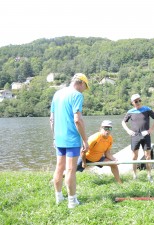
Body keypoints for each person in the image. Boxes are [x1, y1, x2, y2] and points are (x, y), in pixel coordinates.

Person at [50, 73, 90, 209]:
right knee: (70, 169)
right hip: (72, 138)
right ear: (81, 83)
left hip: (59, 138)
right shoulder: (77, 95)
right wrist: (85, 140)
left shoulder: (57, 94)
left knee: (59, 167)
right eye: (85, 86)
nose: (85, 89)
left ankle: (58, 198)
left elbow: (52, 119)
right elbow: (77, 120)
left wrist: (54, 137)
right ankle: (72, 202)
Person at [122, 93, 154, 182]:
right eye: (136, 101)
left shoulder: (147, 109)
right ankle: (135, 175)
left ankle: (149, 175)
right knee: (134, 156)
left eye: (139, 100)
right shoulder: (130, 112)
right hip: (135, 136)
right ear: (132, 103)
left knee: (147, 156)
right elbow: (123, 122)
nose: (138, 102)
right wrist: (128, 130)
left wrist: (151, 129)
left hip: (146, 135)